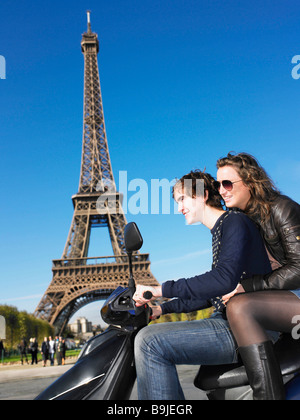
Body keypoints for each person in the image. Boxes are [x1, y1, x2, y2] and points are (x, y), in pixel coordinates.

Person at [133, 169, 275, 400]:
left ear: (201, 195)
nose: (179, 208)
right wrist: (162, 308)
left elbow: (222, 279)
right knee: (149, 337)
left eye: (182, 199)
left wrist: (160, 290)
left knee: (150, 342)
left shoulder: (234, 222)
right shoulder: (222, 229)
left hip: (246, 329)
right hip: (230, 321)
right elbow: (212, 293)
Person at [216, 152, 300, 400]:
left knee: (241, 307)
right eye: (218, 184)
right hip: (285, 296)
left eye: (228, 183)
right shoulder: (242, 221)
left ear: (250, 182)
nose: (222, 190)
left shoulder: (282, 209)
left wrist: (246, 287)